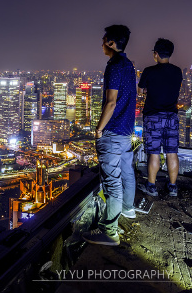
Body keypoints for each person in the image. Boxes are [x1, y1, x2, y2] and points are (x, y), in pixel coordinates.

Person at [83, 24, 136, 246]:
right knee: (126, 174)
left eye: (104, 39)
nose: (101, 43)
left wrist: (98, 129)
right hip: (125, 131)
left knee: (112, 182)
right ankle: (126, 210)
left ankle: (109, 231)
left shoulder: (114, 66)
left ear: (111, 43)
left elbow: (111, 102)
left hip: (112, 132)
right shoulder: (129, 65)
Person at [137, 38, 182, 197]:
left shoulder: (149, 71)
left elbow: (140, 90)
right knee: (172, 152)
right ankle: (173, 187)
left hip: (153, 116)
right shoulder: (177, 71)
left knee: (154, 152)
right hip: (172, 116)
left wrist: (149, 90)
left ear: (155, 53)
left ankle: (151, 186)